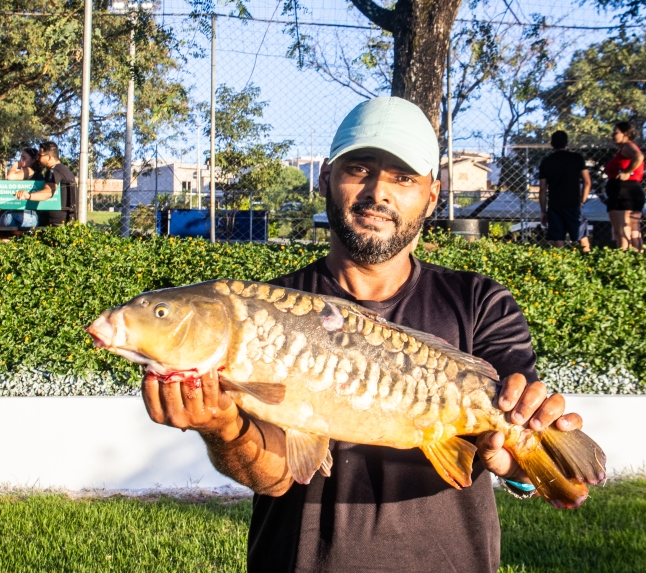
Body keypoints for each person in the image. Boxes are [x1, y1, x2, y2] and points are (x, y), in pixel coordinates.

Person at [141, 97, 586, 573]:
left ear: (432, 195)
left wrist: (520, 466)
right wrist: (223, 429)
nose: (378, 192)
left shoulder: (481, 303)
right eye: (359, 169)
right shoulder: (263, 314)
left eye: (403, 178)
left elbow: (541, 452)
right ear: (325, 178)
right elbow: (274, 477)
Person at [538, 130, 591, 253]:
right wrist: (582, 200)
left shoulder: (546, 162)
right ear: (567, 143)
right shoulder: (577, 158)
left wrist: (543, 211)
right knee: (581, 235)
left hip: (555, 205)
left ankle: (561, 261)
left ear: (551, 144)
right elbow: (587, 182)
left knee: (558, 237)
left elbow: (542, 188)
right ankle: (588, 258)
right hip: (574, 203)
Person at [603, 121, 646, 251]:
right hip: (634, 190)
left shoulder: (628, 146)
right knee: (634, 232)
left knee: (621, 231)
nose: (613, 135)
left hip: (623, 191)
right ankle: (638, 258)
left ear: (625, 134)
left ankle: (623, 259)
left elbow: (639, 157)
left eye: (615, 132)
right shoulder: (625, 149)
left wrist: (626, 172)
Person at [14, 141, 75, 226]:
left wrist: (28, 195)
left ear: (49, 157)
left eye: (40, 155)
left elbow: (48, 192)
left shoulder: (53, 171)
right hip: (69, 220)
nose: (37, 158)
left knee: (11, 218)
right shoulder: (66, 171)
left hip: (54, 222)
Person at [0, 147, 40, 229]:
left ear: (33, 160)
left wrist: (16, 165)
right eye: (21, 158)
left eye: (24, 158)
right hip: (33, 217)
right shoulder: (37, 174)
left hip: (24, 214)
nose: (21, 160)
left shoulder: (28, 170)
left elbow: (10, 177)